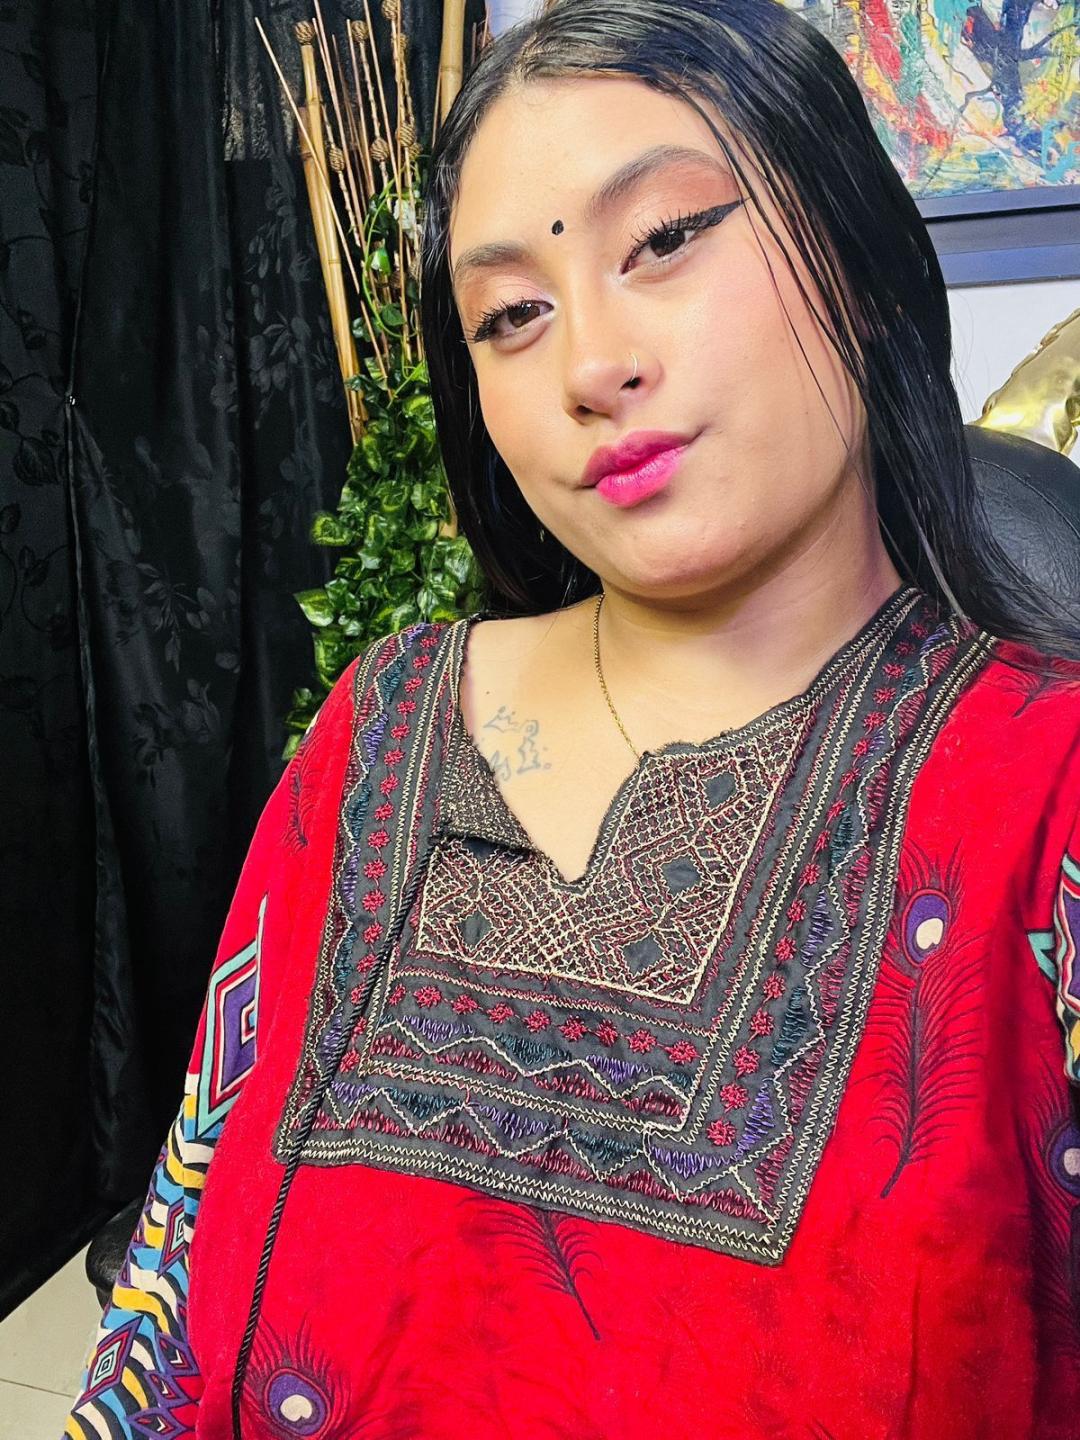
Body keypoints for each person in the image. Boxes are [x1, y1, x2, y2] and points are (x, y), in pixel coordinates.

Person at [64, 1, 1080, 1436]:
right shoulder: (381, 731)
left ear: (852, 253)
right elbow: (173, 1274)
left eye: (662, 240)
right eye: (511, 315)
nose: (591, 364)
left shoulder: (1046, 789)